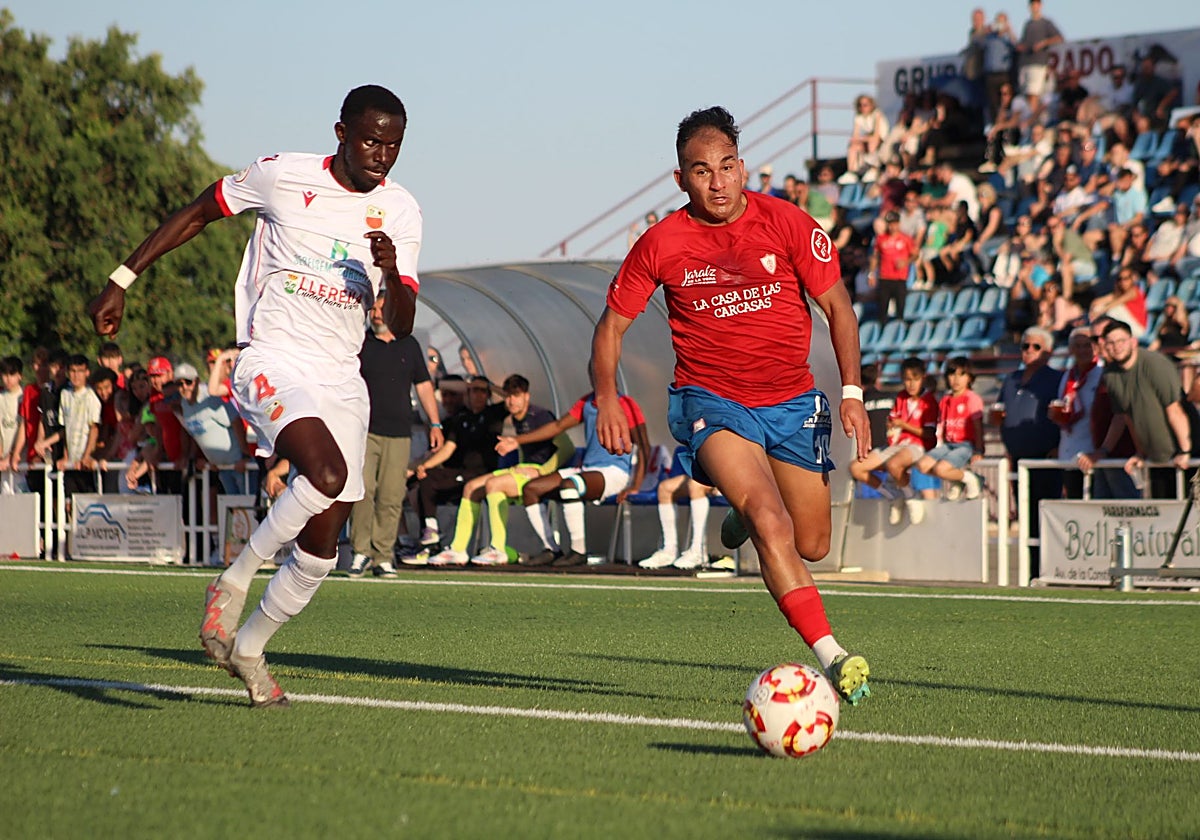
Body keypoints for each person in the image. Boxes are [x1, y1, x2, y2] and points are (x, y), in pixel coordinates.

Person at [88, 84, 422, 708]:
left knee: (324, 543)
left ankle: (249, 647)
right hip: (273, 357)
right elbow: (196, 213)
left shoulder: (400, 210)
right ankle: (234, 580)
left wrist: (390, 264)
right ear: (341, 133)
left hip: (341, 377)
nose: (382, 155)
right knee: (324, 473)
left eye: (394, 145)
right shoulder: (281, 175)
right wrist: (122, 278)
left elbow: (401, 321)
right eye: (372, 140)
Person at [590, 106, 872, 704]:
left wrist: (852, 393)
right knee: (773, 521)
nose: (716, 183)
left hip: (793, 401)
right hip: (711, 400)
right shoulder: (662, 243)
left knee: (813, 543)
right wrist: (608, 397)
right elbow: (611, 328)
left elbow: (839, 308)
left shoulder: (789, 223)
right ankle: (834, 656)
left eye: (725, 167)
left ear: (742, 168)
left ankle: (744, 508)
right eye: (700, 171)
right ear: (680, 179)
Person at [498, 381, 649, 567]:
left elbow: (644, 446)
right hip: (587, 470)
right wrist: (516, 440)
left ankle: (579, 551)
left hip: (613, 472)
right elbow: (558, 426)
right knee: (531, 488)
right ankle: (551, 548)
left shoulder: (625, 403)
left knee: (570, 485)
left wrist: (635, 485)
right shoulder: (586, 402)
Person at [427, 374, 569, 566]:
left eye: (516, 396)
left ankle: (498, 549)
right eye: (508, 396)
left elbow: (568, 448)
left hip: (537, 473)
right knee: (471, 487)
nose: (511, 401)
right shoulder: (516, 417)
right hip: (521, 470)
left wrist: (542, 472)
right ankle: (458, 549)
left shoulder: (541, 416)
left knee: (494, 485)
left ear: (527, 396)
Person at [347, 291, 442, 578]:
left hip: (399, 433)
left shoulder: (409, 345)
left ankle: (383, 556)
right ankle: (360, 552)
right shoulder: (359, 343)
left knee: (391, 496)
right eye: (373, 308)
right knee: (362, 492)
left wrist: (435, 423)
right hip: (364, 431)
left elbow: (424, 386)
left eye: (381, 309)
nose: (375, 313)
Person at [1084, 319, 1194, 499]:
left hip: (1183, 454)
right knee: (1163, 518)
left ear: (1133, 341)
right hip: (1157, 458)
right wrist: (1140, 452)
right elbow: (1125, 417)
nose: (1116, 347)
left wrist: (1185, 451)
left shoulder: (1155, 364)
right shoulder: (1111, 375)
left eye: (1121, 341)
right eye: (1111, 342)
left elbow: (1175, 411)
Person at [408, 374, 508, 549]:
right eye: (472, 390)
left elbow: (512, 400)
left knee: (441, 479)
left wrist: (490, 385)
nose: (477, 394)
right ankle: (431, 531)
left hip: (482, 473)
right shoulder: (462, 419)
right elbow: (448, 449)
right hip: (460, 472)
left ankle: (453, 545)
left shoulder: (493, 414)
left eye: (481, 391)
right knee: (426, 477)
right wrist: (424, 466)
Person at [996, 326, 1063, 579]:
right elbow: (1002, 415)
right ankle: (1031, 572)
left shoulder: (1057, 379)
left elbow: (1061, 415)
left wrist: (1057, 446)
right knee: (1026, 517)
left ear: (1047, 352)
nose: (1028, 351)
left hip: (1046, 459)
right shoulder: (1011, 379)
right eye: (1025, 346)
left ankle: (1051, 571)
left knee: (1047, 515)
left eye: (1035, 347)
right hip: (1018, 459)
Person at [849, 357, 938, 525]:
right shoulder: (900, 397)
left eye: (915, 379)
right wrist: (892, 427)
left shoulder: (929, 401)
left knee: (894, 465)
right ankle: (893, 496)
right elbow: (894, 422)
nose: (910, 384)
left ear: (923, 379)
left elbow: (928, 433)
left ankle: (912, 498)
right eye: (907, 379)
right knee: (856, 468)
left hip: (917, 446)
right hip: (896, 445)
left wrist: (903, 425)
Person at [915, 357, 985, 501]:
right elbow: (943, 426)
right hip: (949, 445)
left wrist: (979, 450)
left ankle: (972, 478)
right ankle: (957, 480)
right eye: (952, 374)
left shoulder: (972, 398)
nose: (956, 379)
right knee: (922, 465)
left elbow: (978, 427)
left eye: (961, 374)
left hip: (966, 445)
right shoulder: (945, 400)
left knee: (941, 469)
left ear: (970, 378)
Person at [637, 446, 716, 570]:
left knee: (695, 485)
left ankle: (698, 551)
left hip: (728, 475)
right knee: (665, 488)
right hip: (704, 473)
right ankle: (669, 550)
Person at [869, 211, 916, 324]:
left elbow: (915, 254)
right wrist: (871, 273)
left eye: (895, 223)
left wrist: (906, 262)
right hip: (885, 277)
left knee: (900, 308)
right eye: (890, 224)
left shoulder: (906, 239)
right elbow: (875, 257)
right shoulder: (881, 239)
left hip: (900, 278)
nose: (892, 226)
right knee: (882, 308)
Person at [1015, 0, 1063, 100]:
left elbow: (1059, 38)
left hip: (1038, 63)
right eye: (1032, 4)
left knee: (1033, 93)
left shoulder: (1046, 23)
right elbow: (1023, 43)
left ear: (1040, 6)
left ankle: (1034, 115)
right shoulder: (1028, 24)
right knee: (1025, 94)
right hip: (1025, 63)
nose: (1034, 7)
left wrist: (1043, 43)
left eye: (1036, 4)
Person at [0, 356, 25, 494]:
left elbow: (24, 428)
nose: (8, 379)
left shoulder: (24, 397)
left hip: (21, 461)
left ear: (20, 376)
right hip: (3, 464)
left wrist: (13, 454)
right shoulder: (0, 398)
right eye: (4, 375)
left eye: (12, 374)